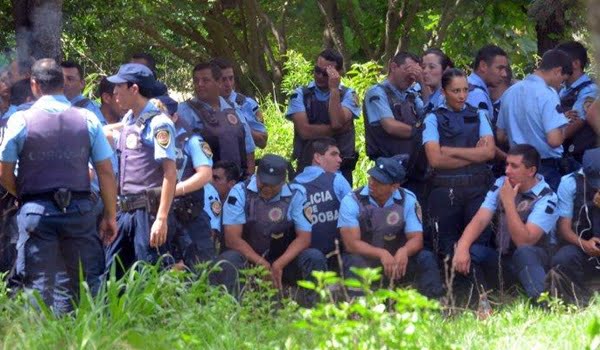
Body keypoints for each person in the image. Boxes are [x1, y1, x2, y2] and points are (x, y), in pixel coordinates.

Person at [0, 58, 117, 314]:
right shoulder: (87, 118)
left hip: (36, 211)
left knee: (38, 283)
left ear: (34, 84)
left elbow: (4, 172)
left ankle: (40, 339)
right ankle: (96, 335)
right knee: (88, 280)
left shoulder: (20, 120)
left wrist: (26, 196)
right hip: (79, 210)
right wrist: (110, 214)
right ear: (62, 83)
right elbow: (106, 171)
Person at [453, 144, 559, 300]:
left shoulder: (547, 197)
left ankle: (542, 302)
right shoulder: (501, 183)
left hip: (534, 265)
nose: (507, 170)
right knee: (471, 251)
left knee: (524, 252)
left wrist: (509, 203)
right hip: (504, 261)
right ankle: (484, 303)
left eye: (514, 166)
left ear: (531, 171)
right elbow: (481, 218)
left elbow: (524, 241)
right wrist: (462, 246)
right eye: (507, 164)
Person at [215, 154, 325, 296]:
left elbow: (304, 238)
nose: (267, 188)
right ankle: (231, 311)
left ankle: (313, 308)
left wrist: (278, 265)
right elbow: (232, 239)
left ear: (283, 181)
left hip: (283, 261)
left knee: (314, 257)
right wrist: (262, 264)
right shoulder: (239, 192)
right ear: (257, 175)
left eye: (273, 185)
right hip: (248, 260)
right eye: (263, 183)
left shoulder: (296, 194)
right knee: (229, 260)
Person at [104, 63, 177, 272]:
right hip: (125, 210)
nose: (114, 91)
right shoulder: (130, 118)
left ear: (134, 89)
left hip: (148, 212)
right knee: (112, 273)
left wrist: (161, 219)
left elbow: (170, 173)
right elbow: (109, 132)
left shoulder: (159, 123)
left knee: (149, 273)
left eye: (119, 86)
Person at [338, 157, 444, 298]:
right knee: (352, 261)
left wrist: (404, 251)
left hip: (397, 261)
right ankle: (358, 306)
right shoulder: (352, 201)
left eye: (379, 182)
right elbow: (351, 244)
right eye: (372, 177)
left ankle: (434, 305)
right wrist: (381, 254)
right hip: (367, 261)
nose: (371, 182)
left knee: (426, 257)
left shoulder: (408, 200)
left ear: (394, 186)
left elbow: (416, 239)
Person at [423, 68, 495, 258]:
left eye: (465, 90)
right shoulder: (432, 118)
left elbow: (489, 152)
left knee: (478, 244)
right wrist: (474, 154)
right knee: (445, 246)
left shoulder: (479, 115)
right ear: (443, 92)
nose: (462, 96)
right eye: (456, 91)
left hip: (477, 188)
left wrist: (451, 151)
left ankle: (477, 285)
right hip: (446, 191)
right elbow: (435, 160)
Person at [497, 49, 574, 191]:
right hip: (545, 168)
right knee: (546, 211)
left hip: (516, 168)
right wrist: (564, 126)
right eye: (562, 80)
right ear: (557, 71)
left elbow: (500, 136)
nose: (561, 85)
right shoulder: (548, 94)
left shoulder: (510, 92)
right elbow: (554, 140)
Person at [156, 95, 215, 266]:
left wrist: (174, 191)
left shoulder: (191, 140)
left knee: (201, 270)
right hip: (163, 216)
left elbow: (205, 174)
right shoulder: (150, 140)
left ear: (174, 117)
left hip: (190, 215)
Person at [286, 49, 360, 185]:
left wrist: (334, 89)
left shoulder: (349, 95)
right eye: (316, 70)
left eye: (325, 73)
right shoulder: (300, 94)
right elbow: (305, 131)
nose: (319, 76)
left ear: (338, 73)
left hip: (340, 168)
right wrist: (337, 130)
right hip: (308, 167)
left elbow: (336, 122)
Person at [363, 51, 427, 202]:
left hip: (414, 169)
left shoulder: (412, 94)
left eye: (415, 72)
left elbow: (429, 115)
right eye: (408, 69)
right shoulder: (377, 93)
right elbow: (390, 126)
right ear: (393, 66)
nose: (412, 76)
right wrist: (420, 131)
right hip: (387, 171)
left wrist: (422, 83)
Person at [176, 62, 256, 178]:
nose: (200, 84)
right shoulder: (184, 111)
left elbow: (249, 149)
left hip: (237, 182)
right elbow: (178, 154)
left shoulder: (234, 109)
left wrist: (248, 180)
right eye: (196, 80)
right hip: (203, 185)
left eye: (205, 80)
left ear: (218, 82)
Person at [293, 138, 352, 269]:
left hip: (306, 260)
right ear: (318, 158)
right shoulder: (337, 179)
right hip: (338, 256)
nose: (340, 160)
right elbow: (356, 215)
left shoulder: (293, 186)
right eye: (333, 154)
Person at [550, 148, 600, 290]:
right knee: (564, 258)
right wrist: (585, 244)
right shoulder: (569, 183)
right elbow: (564, 228)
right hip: (581, 244)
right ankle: (579, 296)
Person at [556, 41, 599, 163]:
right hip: (565, 157)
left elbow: (570, 127)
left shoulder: (589, 90)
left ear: (576, 64)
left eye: (560, 61)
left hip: (580, 160)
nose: (556, 65)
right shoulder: (563, 89)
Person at [212, 57, 268, 149]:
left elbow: (263, 142)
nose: (228, 84)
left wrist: (240, 127)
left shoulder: (246, 104)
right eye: (223, 79)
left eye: (231, 78)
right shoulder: (202, 106)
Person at [60, 60, 107, 124]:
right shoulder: (49, 104)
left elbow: (102, 132)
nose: (64, 82)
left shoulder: (89, 108)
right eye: (60, 78)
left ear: (82, 84)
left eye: (70, 79)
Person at [467, 45, 509, 114]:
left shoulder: (468, 86)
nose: (504, 74)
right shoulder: (477, 95)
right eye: (500, 68)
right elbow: (481, 124)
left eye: (505, 69)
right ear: (483, 66)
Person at [421, 48, 453, 112]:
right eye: (423, 67)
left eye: (431, 67)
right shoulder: (434, 96)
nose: (425, 71)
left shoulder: (445, 100)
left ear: (445, 70)